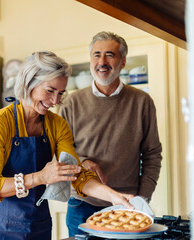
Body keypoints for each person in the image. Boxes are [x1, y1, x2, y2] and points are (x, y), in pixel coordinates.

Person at [0, 51, 134, 239]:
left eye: (60, 93)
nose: (55, 101)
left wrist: (113, 196)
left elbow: (75, 174)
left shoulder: (57, 124)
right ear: (29, 82)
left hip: (36, 223)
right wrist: (40, 177)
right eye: (50, 91)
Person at [59, 31, 163, 236]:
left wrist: (141, 198)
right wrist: (82, 162)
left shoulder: (142, 102)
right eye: (96, 55)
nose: (102, 61)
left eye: (110, 55)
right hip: (82, 205)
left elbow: (152, 155)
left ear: (123, 61)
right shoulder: (70, 102)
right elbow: (61, 155)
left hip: (127, 205)